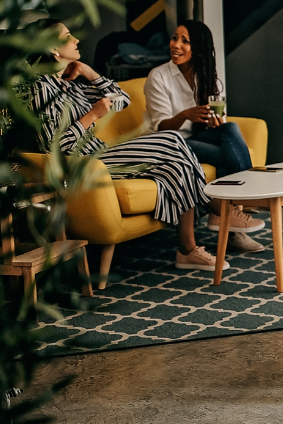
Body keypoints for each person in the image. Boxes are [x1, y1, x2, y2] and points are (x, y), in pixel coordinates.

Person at [26, 20, 225, 272]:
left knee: (177, 166)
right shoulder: (41, 88)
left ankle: (187, 249)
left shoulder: (69, 83)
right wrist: (93, 116)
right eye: (68, 36)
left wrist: (89, 72)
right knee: (172, 140)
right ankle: (217, 206)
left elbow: (122, 99)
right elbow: (54, 145)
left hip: (100, 154)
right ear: (54, 49)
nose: (76, 40)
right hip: (85, 163)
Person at [144, 20, 265, 252]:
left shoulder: (209, 78)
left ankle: (228, 213)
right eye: (174, 38)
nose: (176, 45)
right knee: (222, 154)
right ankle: (233, 212)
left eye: (185, 41)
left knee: (229, 129)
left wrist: (215, 122)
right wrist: (186, 114)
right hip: (168, 142)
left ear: (198, 48)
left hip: (197, 138)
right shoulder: (158, 76)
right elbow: (161, 127)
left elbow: (221, 119)